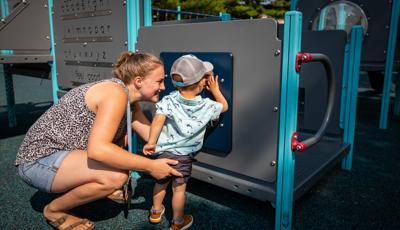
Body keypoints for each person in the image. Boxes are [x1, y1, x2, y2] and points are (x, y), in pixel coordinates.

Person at [15, 51, 183, 230]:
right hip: (37, 161)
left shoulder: (130, 102)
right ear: (139, 81)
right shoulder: (115, 94)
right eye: (159, 81)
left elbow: (154, 136)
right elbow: (99, 150)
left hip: (62, 156)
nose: (163, 87)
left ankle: (93, 186)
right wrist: (151, 166)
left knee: (119, 150)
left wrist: (191, 131)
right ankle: (54, 210)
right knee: (116, 176)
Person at [142, 54, 228, 230]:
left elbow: (158, 120)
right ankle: (177, 222)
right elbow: (224, 106)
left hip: (163, 153)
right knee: (179, 190)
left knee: (160, 183)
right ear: (201, 84)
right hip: (184, 158)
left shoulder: (169, 100)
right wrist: (215, 90)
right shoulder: (206, 105)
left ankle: (156, 212)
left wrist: (151, 142)